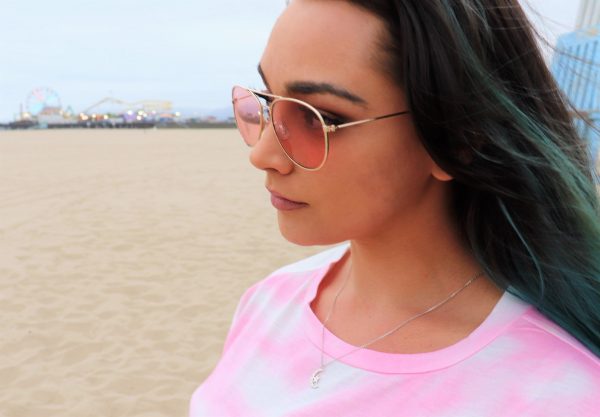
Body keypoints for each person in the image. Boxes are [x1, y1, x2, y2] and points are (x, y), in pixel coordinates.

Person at [190, 0, 600, 415]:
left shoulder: (557, 391)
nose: (262, 154)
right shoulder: (269, 301)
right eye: (265, 103)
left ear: (458, 137)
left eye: (319, 118)